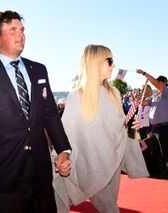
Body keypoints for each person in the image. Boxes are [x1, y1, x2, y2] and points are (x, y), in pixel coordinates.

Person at [0, 10, 71, 213]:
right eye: (13, 30)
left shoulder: (39, 70)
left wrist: (63, 149)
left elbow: (50, 113)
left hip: (40, 170)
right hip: (2, 171)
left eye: (22, 30)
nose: (21, 35)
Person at [53, 44, 149, 213]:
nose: (113, 66)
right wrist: (61, 157)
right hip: (84, 165)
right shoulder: (77, 96)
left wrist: (131, 127)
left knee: (109, 207)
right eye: (109, 61)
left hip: (111, 164)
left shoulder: (114, 93)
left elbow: (118, 129)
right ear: (95, 62)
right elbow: (66, 133)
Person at [136, 70, 168, 165]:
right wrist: (141, 95)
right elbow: (143, 103)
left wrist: (144, 74)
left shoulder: (166, 92)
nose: (156, 85)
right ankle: (163, 167)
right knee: (158, 149)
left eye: (159, 82)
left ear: (164, 83)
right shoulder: (154, 96)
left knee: (165, 149)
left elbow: (156, 84)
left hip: (165, 127)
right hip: (155, 128)